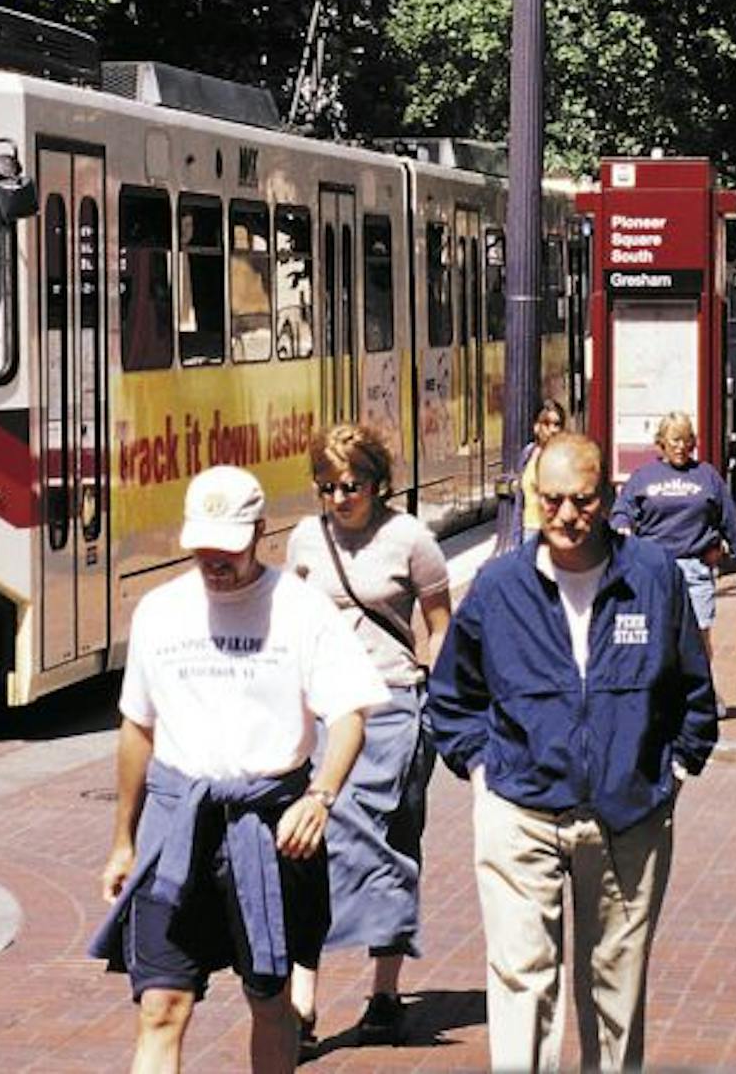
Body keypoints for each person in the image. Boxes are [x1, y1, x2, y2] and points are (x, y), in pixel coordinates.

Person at [426, 431, 717, 1071]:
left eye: (582, 502)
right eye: (552, 501)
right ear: (535, 498)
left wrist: (673, 768)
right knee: (522, 978)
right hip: (519, 809)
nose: (566, 517)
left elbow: (694, 688)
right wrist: (481, 771)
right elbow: (451, 697)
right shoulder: (499, 587)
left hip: (629, 812)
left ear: (608, 498)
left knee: (615, 985)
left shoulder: (652, 576)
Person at [92, 465, 389, 1074]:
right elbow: (137, 728)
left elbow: (350, 716)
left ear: (259, 532)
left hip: (270, 827)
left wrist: (320, 796)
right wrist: (123, 840)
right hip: (178, 827)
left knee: (270, 1000)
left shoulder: (301, 610)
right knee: (161, 1005)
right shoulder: (160, 612)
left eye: (227, 548)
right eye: (202, 548)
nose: (214, 561)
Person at [286, 422, 452, 1051]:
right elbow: (293, 620)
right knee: (313, 843)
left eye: (350, 485)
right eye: (325, 487)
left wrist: (429, 689)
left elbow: (439, 624)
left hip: (394, 708)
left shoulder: (409, 538)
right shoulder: (307, 539)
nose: (338, 498)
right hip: (330, 713)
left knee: (395, 839)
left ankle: (384, 989)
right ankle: (303, 998)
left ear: (378, 483)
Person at [615, 412, 736, 694]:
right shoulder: (643, 477)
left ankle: (701, 693)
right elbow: (623, 510)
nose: (681, 447)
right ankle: (656, 692)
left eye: (687, 440)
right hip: (654, 568)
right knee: (656, 633)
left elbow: (728, 516)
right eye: (675, 440)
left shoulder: (707, 475)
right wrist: (622, 527)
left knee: (699, 636)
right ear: (661, 443)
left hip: (695, 565)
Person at [511, 398, 568, 545]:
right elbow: (520, 502)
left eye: (557, 424)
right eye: (547, 424)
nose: (553, 429)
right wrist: (516, 539)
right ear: (536, 427)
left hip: (554, 532)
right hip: (529, 530)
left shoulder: (566, 457)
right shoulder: (528, 454)